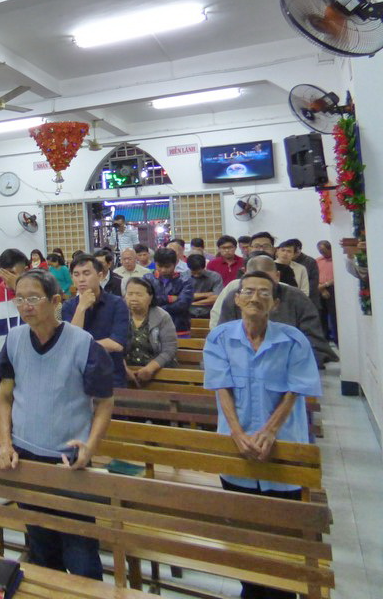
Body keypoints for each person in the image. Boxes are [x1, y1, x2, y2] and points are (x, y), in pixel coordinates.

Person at [203, 271, 321, 599]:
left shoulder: (293, 340)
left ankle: (283, 592)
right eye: (249, 292)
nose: (255, 298)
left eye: (264, 293)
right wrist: (237, 433)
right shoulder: (220, 338)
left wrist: (269, 432)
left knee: (284, 537)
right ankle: (251, 591)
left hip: (283, 449)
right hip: (236, 449)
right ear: (237, 298)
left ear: (276, 303)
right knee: (244, 534)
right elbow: (221, 388)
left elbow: (295, 390)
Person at [0, 269, 114, 579]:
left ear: (56, 301)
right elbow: (4, 397)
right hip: (25, 459)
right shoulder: (15, 339)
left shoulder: (82, 343)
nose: (25, 306)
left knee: (81, 553)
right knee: (41, 546)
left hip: (68, 462)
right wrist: (5, 443)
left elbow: (104, 402)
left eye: (34, 298)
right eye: (19, 299)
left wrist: (91, 446)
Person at [213, 254, 337, 367]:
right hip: (242, 365)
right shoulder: (235, 298)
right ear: (244, 276)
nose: (256, 297)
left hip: (291, 365)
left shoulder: (297, 298)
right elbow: (222, 338)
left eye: (266, 285)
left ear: (277, 276)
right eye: (252, 285)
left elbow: (314, 343)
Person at [62, 254, 130, 387]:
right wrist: (81, 308)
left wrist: (80, 347)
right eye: (76, 274)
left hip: (111, 376)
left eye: (86, 273)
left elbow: (116, 344)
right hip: (79, 376)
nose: (81, 279)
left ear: (100, 276)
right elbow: (70, 343)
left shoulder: (117, 304)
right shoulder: (69, 306)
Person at [0, 249, 30, 382]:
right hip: (3, 365)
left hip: (31, 362)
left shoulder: (33, 295)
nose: (7, 278)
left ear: (25, 271)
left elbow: (38, 320)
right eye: (4, 273)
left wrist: (19, 289)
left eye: (12, 273)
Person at [122, 278, 177, 385]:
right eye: (130, 294)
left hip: (159, 371)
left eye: (139, 294)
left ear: (150, 297)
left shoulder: (162, 317)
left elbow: (170, 349)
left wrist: (150, 368)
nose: (133, 298)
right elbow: (114, 345)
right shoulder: (120, 314)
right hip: (125, 371)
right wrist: (123, 367)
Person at [143, 248, 195, 333]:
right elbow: (145, 300)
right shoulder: (147, 278)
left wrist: (155, 308)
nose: (163, 270)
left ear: (175, 264)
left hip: (179, 326)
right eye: (160, 266)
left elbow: (182, 305)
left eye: (167, 267)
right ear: (155, 263)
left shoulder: (185, 280)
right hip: (152, 325)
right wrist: (169, 298)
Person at [187, 253, 223, 319]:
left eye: (199, 272)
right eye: (193, 272)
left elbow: (217, 298)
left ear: (204, 267)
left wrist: (193, 303)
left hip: (210, 313)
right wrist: (207, 294)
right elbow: (183, 297)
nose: (196, 275)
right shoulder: (183, 277)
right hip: (187, 314)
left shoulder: (215, 277)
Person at [316, 240, 336, 343]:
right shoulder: (318, 261)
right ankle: (324, 340)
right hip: (319, 289)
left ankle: (336, 339)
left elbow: (337, 277)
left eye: (323, 250)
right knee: (320, 315)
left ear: (330, 248)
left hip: (332, 289)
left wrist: (326, 285)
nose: (321, 253)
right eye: (320, 251)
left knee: (334, 315)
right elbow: (314, 275)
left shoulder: (336, 260)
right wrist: (322, 288)